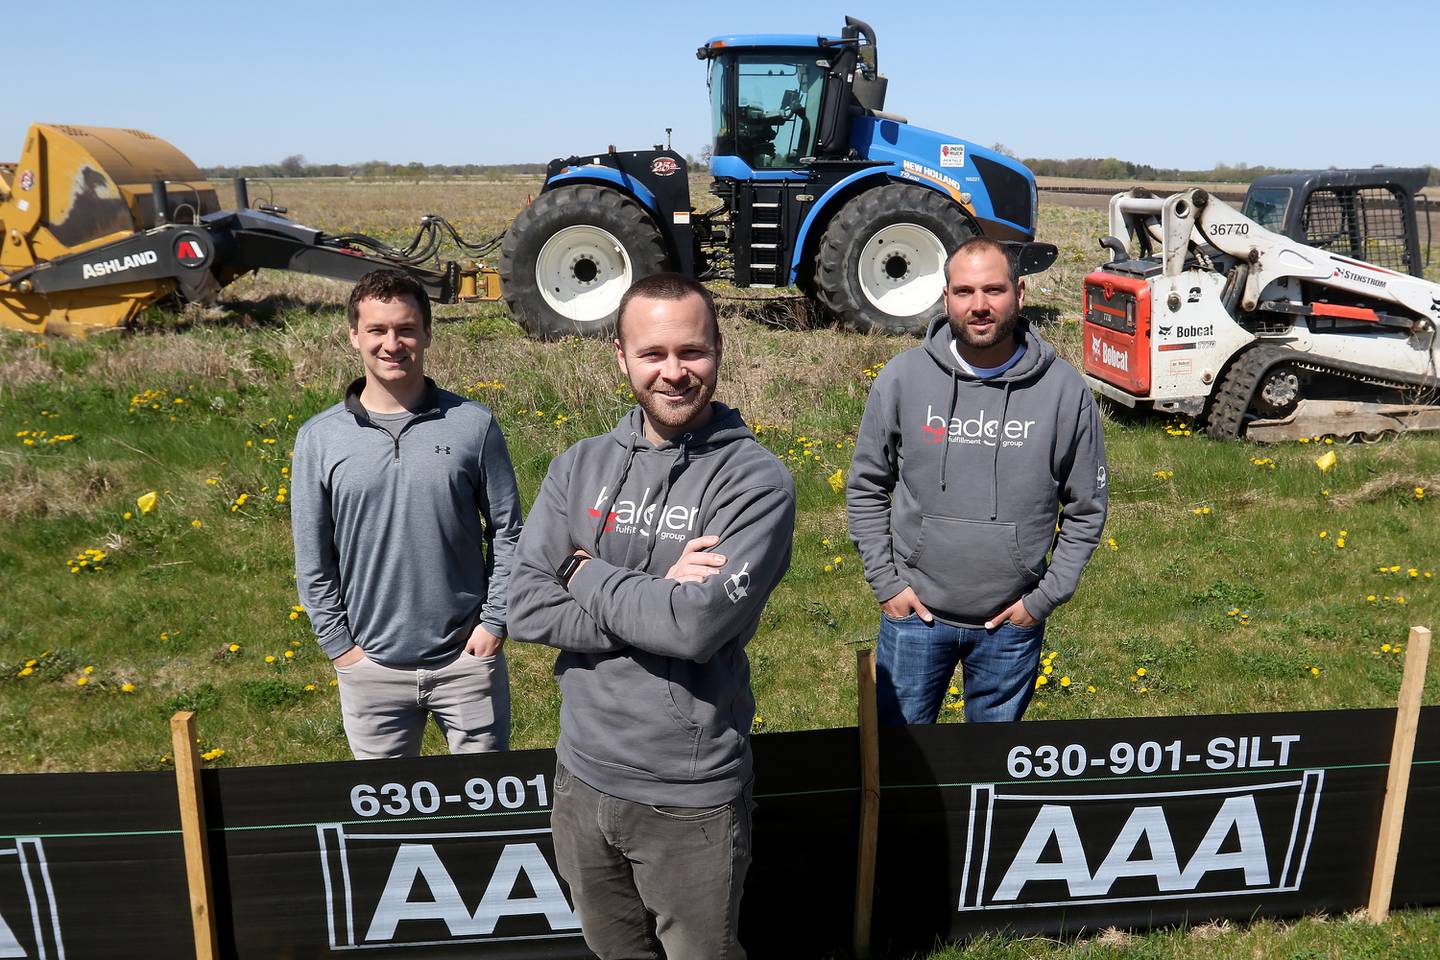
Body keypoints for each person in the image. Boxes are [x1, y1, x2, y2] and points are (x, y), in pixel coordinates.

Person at [508, 272, 795, 959]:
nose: (673, 372)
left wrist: (582, 570)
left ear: (719, 351)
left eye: (691, 352)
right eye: (652, 353)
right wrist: (653, 590)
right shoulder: (579, 466)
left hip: (688, 792)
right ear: (620, 357)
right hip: (581, 776)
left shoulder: (755, 482)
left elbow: (693, 628)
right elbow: (523, 602)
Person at [846, 236, 1107, 725]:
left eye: (994, 290)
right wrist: (886, 584)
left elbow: (1087, 506)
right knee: (899, 768)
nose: (979, 306)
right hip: (914, 618)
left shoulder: (1064, 390)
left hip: (1010, 626)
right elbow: (866, 485)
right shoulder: (902, 379)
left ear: (1020, 293)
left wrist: (1043, 599)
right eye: (964, 291)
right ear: (946, 298)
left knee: (987, 778)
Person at [291, 268, 521, 758]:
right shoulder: (320, 438)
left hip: (466, 661)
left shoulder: (473, 426)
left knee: (488, 820)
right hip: (370, 669)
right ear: (354, 335)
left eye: (405, 329)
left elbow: (508, 532)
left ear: (427, 334)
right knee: (391, 830)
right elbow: (313, 557)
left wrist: (494, 623)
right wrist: (342, 649)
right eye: (377, 330)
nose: (391, 344)